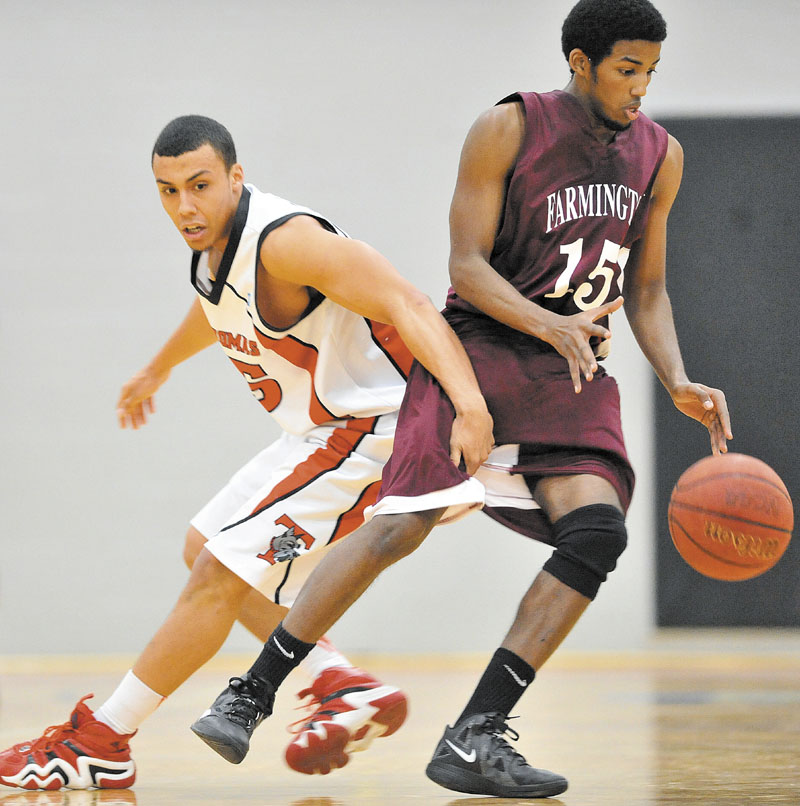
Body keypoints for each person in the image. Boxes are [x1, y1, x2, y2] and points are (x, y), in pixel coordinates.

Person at [189, 0, 733, 799]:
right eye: (627, 69)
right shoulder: (510, 126)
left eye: (651, 71)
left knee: (598, 532)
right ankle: (253, 690)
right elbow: (466, 265)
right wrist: (550, 324)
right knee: (399, 524)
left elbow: (646, 289)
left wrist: (676, 379)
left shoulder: (661, 154)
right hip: (480, 352)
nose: (641, 87)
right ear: (579, 63)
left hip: (570, 373)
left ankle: (476, 734)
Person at [0, 116, 493, 791]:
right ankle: (338, 685)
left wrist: (469, 407)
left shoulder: (287, 244)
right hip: (326, 433)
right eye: (167, 191)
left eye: (199, 185)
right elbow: (215, 307)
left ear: (236, 176)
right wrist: (157, 369)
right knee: (202, 544)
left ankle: (101, 740)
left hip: (378, 430)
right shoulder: (214, 250)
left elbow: (409, 302)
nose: (185, 207)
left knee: (217, 573)